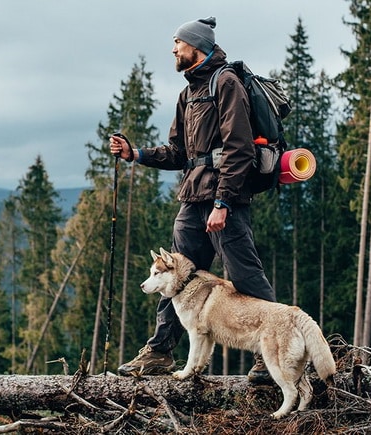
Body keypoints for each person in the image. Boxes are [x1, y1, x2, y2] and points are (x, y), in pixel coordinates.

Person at [109, 16, 276, 384]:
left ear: (196, 46)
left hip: (223, 200)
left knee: (245, 276)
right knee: (175, 279)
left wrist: (224, 203)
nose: (173, 49)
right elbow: (177, 152)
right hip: (192, 199)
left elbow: (239, 149)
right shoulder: (188, 93)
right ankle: (159, 353)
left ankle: (270, 352)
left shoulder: (226, 83)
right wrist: (134, 153)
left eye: (177, 43)